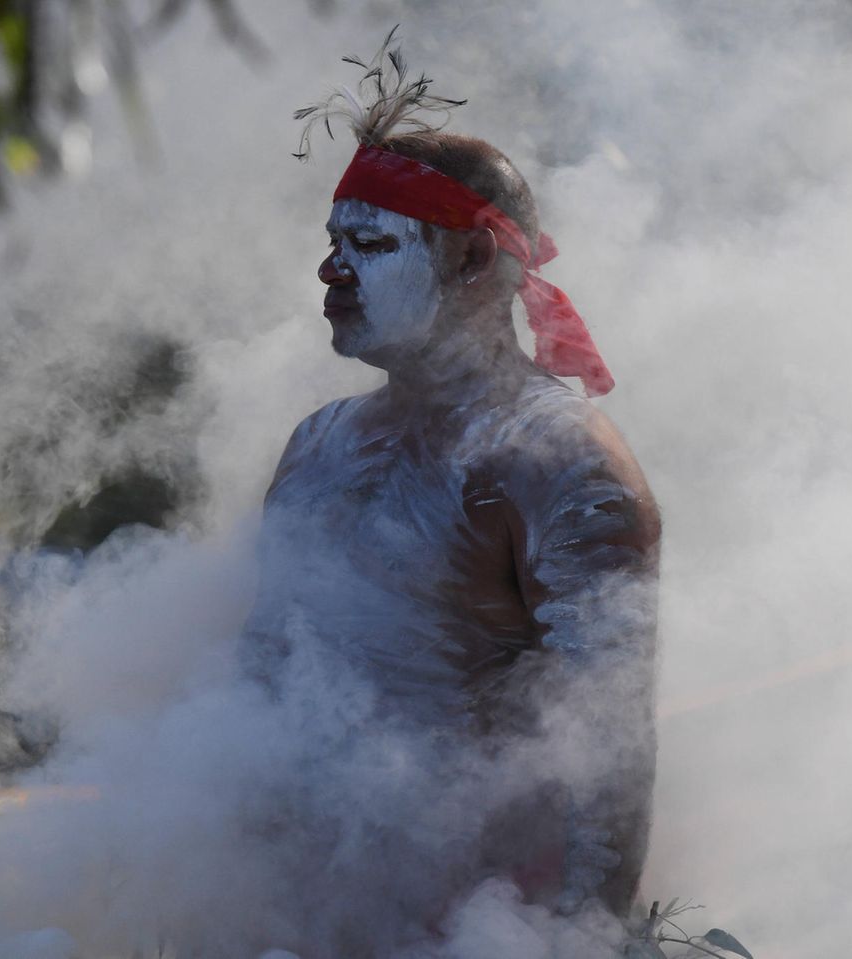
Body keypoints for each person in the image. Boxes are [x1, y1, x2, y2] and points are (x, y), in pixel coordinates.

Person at [242, 50, 660, 943]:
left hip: (478, 925)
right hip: (306, 917)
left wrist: (576, 944)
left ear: (472, 259)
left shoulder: (559, 460)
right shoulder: (316, 445)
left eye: (369, 245)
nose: (329, 272)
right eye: (333, 242)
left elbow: (607, 754)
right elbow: (261, 677)